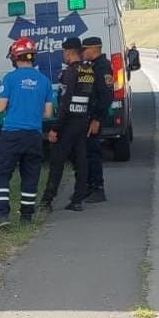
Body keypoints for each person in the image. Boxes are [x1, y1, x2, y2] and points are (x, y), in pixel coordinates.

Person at [0, 38, 55, 230]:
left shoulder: (10, 78)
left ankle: (2, 215)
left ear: (14, 58)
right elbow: (48, 113)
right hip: (34, 135)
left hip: (11, 134)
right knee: (30, 174)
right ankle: (26, 215)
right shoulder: (44, 81)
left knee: (2, 174)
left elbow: (0, 108)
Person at [40, 37, 94, 213]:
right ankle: (78, 199)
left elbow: (65, 103)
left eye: (64, 52)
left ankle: (47, 200)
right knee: (81, 161)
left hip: (68, 123)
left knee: (57, 162)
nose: (63, 55)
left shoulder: (69, 73)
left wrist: (55, 128)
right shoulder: (88, 70)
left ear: (69, 52)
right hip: (83, 120)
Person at [81, 37, 115, 203]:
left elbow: (107, 96)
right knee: (86, 153)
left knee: (93, 152)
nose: (83, 52)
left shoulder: (102, 67)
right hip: (89, 116)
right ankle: (89, 185)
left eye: (85, 49)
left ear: (93, 50)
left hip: (95, 118)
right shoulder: (93, 66)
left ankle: (98, 188)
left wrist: (97, 119)